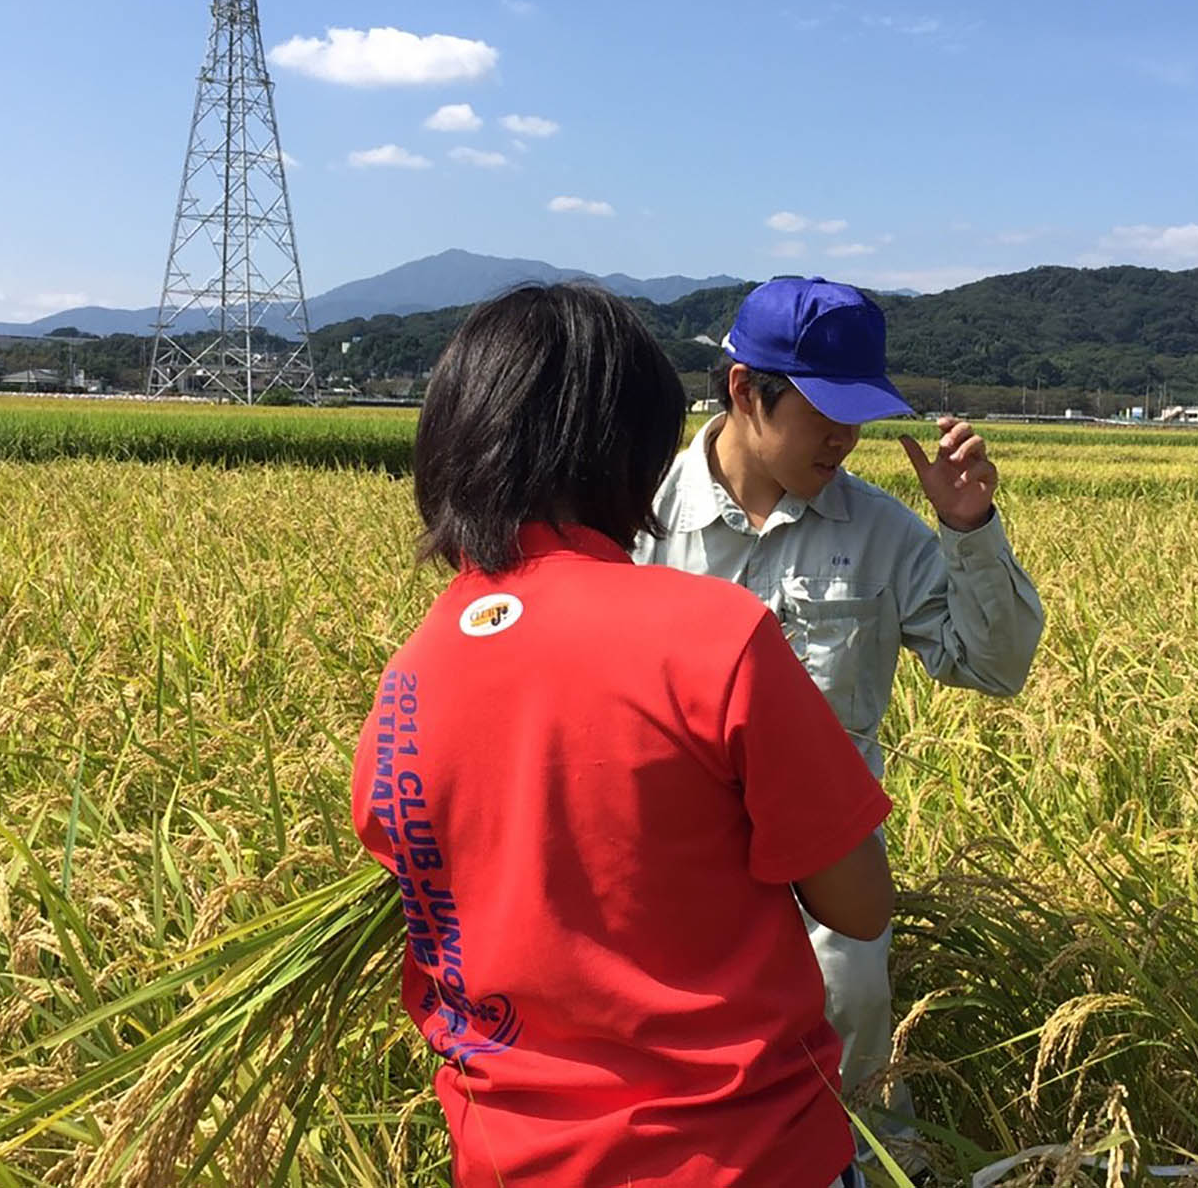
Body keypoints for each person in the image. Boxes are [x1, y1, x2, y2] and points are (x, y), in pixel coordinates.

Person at [350, 283, 894, 1188]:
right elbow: (859, 905)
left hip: (509, 1161)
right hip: (744, 1156)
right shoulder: (716, 636)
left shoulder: (404, 685)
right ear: (633, 453)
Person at [635, 276, 1046, 1151]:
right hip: (666, 871)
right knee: (685, 1105)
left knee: (851, 1099)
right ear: (745, 389)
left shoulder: (883, 533)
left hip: (833, 890)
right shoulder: (640, 516)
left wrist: (969, 528)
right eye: (825, 411)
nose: (846, 437)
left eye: (859, 414)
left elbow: (995, 666)